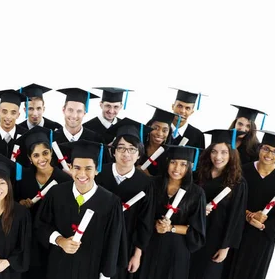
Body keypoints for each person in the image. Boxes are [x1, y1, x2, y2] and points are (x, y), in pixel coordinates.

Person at [35, 139, 125, 279]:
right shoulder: (56, 194)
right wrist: (60, 240)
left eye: (88, 168)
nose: (82, 174)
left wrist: (105, 275)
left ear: (97, 170)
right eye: (77, 168)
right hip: (58, 266)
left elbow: (112, 243)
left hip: (91, 269)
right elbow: (41, 225)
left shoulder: (111, 202)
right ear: (70, 168)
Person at [228, 130, 275, 279]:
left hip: (261, 237)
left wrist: (263, 225)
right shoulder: (242, 171)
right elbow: (230, 200)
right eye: (266, 148)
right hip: (236, 230)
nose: (269, 154)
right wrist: (247, 215)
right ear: (259, 148)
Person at [96, 118, 154, 279]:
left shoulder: (145, 183)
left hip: (125, 245)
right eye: (121, 148)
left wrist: (137, 253)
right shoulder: (99, 174)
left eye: (132, 149)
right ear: (113, 151)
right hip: (96, 240)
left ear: (139, 154)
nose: (126, 154)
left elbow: (145, 221)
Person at [13, 126, 72, 279]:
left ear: (51, 153)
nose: (42, 159)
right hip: (27, 239)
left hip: (53, 240)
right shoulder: (22, 177)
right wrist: (20, 203)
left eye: (45, 153)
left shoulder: (64, 180)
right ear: (29, 158)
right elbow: (12, 202)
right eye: (36, 155)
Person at [139, 145, 206, 279]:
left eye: (183, 164)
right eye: (173, 162)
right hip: (151, 243)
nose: (177, 169)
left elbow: (196, 231)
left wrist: (170, 228)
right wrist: (155, 223)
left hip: (177, 249)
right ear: (167, 162)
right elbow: (141, 215)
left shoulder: (196, 193)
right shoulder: (153, 184)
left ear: (190, 167)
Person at [189, 130, 248, 279]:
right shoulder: (197, 175)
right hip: (192, 234)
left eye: (224, 152)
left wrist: (225, 246)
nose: (218, 157)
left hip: (215, 239)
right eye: (214, 151)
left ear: (231, 154)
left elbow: (236, 217)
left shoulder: (238, 183)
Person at [139, 104, 181, 177]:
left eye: (165, 130)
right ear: (149, 127)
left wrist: (148, 175)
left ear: (169, 133)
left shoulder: (171, 153)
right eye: (156, 128)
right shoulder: (139, 146)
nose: (160, 133)